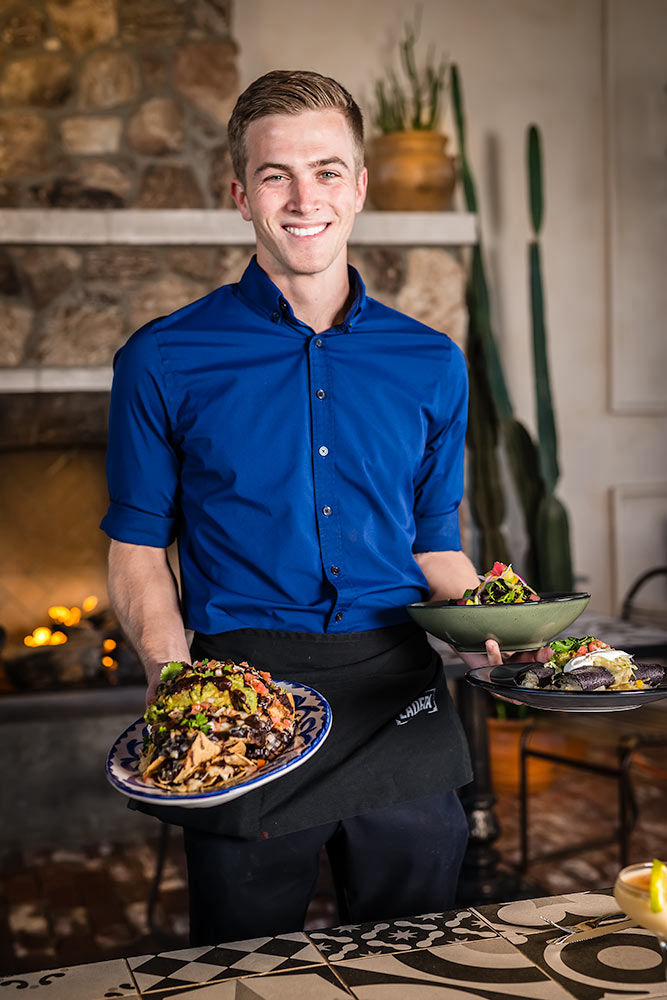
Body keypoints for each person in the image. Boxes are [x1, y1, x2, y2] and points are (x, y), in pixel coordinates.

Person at [102, 69, 500, 945]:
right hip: (245, 697)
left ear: (359, 186)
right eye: (276, 174)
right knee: (242, 965)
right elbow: (136, 548)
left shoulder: (431, 362)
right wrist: (176, 684)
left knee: (415, 956)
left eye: (326, 170)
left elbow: (434, 539)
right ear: (240, 193)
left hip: (398, 693)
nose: (303, 197)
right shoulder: (161, 360)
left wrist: (489, 623)